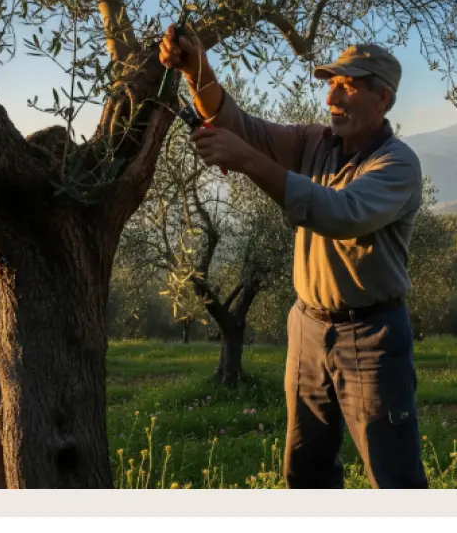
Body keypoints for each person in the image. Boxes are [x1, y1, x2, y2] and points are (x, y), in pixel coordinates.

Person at [159, 25, 429, 489]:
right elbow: (238, 125)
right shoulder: (313, 142)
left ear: (383, 98)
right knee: (304, 468)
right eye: (331, 85)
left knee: (394, 475)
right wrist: (196, 69)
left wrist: (246, 160)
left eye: (348, 86)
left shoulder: (396, 164)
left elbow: (340, 213)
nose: (332, 99)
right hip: (307, 327)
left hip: (371, 334)